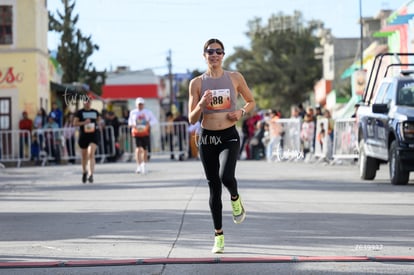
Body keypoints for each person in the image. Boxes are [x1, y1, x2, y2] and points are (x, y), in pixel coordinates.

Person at [188, 38, 255, 254]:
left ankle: (235, 198)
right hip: (207, 138)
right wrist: (201, 104)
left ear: (223, 55)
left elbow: (251, 101)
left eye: (218, 51)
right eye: (210, 51)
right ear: (204, 55)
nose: (214, 55)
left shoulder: (234, 77)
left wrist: (241, 112)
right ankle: (219, 236)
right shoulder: (197, 83)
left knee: (227, 177)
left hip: (228, 135)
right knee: (214, 186)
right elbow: (191, 118)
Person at [73, 100, 101, 183]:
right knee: (84, 156)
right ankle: (84, 171)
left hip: (93, 135)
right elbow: (75, 123)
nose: (87, 104)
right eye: (85, 102)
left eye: (88, 102)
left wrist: (99, 125)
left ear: (90, 103)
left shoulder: (95, 112)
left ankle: (91, 174)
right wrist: (84, 122)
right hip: (84, 136)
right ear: (83, 103)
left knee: (91, 153)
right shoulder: (79, 112)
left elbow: (99, 121)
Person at [128, 97, 158, 174]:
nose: (140, 106)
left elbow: (154, 120)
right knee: (138, 149)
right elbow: (130, 122)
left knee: (144, 149)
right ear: (136, 105)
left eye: (141, 104)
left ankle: (144, 164)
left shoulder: (148, 112)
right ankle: (138, 165)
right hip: (136, 133)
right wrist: (133, 125)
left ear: (143, 104)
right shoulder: (133, 112)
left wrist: (148, 124)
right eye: (139, 104)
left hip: (145, 133)